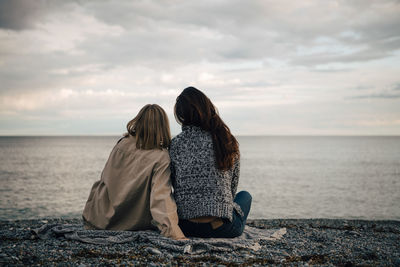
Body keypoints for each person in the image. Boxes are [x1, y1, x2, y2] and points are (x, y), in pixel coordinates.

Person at [82, 104, 186, 240]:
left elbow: (106, 179)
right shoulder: (161, 157)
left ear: (139, 122)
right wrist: (174, 234)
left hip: (97, 218)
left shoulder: (122, 144)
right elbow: (161, 197)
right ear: (163, 126)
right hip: (127, 223)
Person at [169, 87, 252, 238]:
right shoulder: (225, 140)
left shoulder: (175, 144)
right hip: (221, 229)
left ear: (181, 115)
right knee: (245, 196)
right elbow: (232, 188)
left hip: (185, 227)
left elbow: (174, 184)